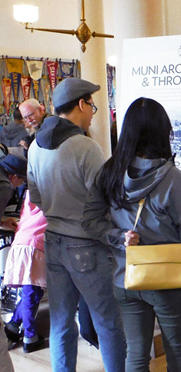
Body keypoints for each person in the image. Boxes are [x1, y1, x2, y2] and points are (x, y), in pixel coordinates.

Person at [82, 97, 181, 371]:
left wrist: (118, 236)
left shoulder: (109, 172)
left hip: (125, 277)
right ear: (163, 131)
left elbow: (90, 221)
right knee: (177, 353)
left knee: (136, 356)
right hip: (167, 280)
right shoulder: (173, 179)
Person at [26, 78, 126, 371]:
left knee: (60, 322)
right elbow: (107, 198)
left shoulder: (35, 146)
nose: (94, 112)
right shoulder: (85, 147)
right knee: (107, 322)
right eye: (92, 105)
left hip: (54, 240)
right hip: (87, 245)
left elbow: (36, 198)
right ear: (81, 104)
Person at [2, 155, 47, 354]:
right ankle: (30, 336)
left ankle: (13, 326)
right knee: (31, 294)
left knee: (32, 292)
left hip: (21, 241)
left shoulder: (30, 193)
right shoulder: (51, 194)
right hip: (35, 247)